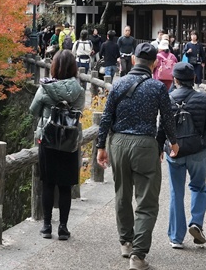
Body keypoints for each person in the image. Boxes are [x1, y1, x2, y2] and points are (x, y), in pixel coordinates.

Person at [96, 43, 179, 270]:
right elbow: (167, 118)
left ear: (133, 60)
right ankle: (138, 256)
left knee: (122, 193)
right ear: (154, 63)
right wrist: (173, 141)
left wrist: (101, 146)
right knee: (147, 202)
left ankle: (126, 241)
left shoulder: (118, 84)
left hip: (119, 143)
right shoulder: (157, 87)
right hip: (145, 144)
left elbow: (106, 118)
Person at [161, 62, 206, 249]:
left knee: (176, 193)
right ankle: (196, 222)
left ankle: (176, 237)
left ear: (175, 79)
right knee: (199, 187)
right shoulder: (203, 99)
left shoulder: (168, 98)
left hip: (175, 151)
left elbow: (161, 127)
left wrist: (158, 149)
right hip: (197, 152)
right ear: (193, 79)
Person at [30, 50, 85, 242]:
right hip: (69, 141)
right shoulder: (78, 90)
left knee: (48, 183)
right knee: (65, 186)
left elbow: (33, 110)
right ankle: (63, 228)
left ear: (54, 66)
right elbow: (78, 112)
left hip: (48, 139)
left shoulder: (46, 88)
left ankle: (46, 226)